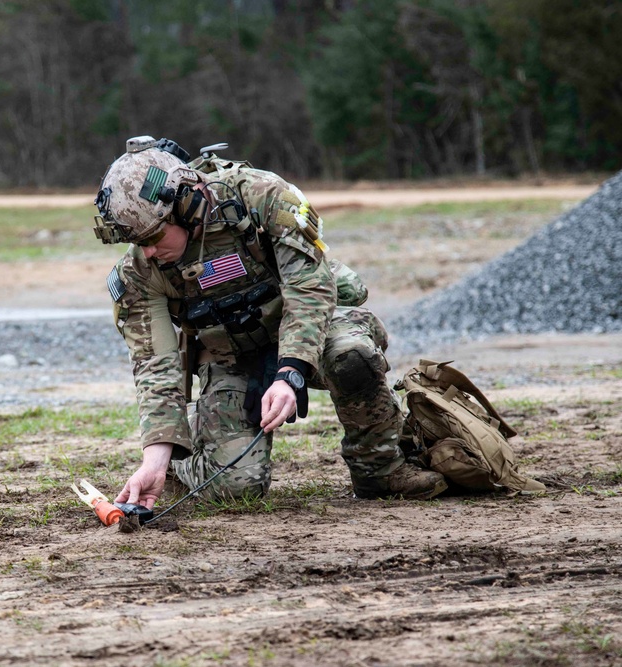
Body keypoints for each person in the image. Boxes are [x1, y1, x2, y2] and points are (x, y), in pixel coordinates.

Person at [92, 136, 447, 510]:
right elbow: (155, 365)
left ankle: (380, 470)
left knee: (352, 356)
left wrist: (290, 370)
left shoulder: (261, 197)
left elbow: (309, 288)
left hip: (308, 328)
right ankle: (188, 464)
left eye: (154, 235)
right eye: (136, 241)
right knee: (237, 487)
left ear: (186, 204)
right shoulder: (139, 272)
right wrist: (156, 460)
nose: (147, 250)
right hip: (230, 354)